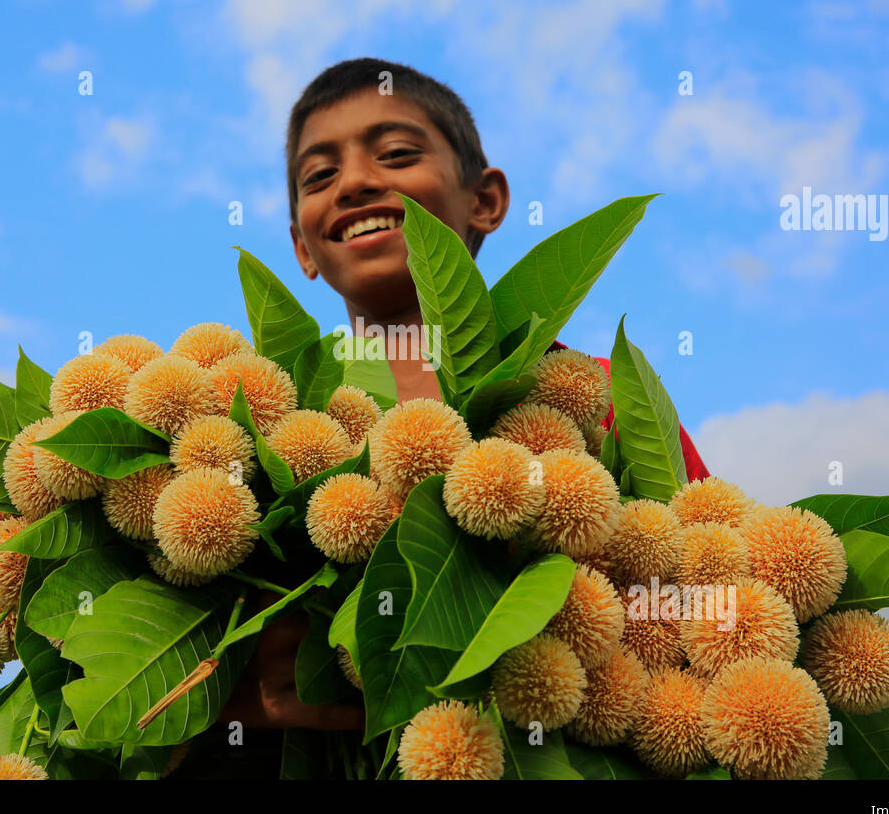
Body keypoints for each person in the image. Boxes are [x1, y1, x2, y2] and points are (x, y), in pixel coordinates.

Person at [189, 57, 709, 773]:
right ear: (301, 248)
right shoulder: (253, 422)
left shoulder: (599, 394)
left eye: (397, 154)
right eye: (318, 176)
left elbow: (712, 585)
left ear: (486, 199)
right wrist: (225, 690)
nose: (356, 182)